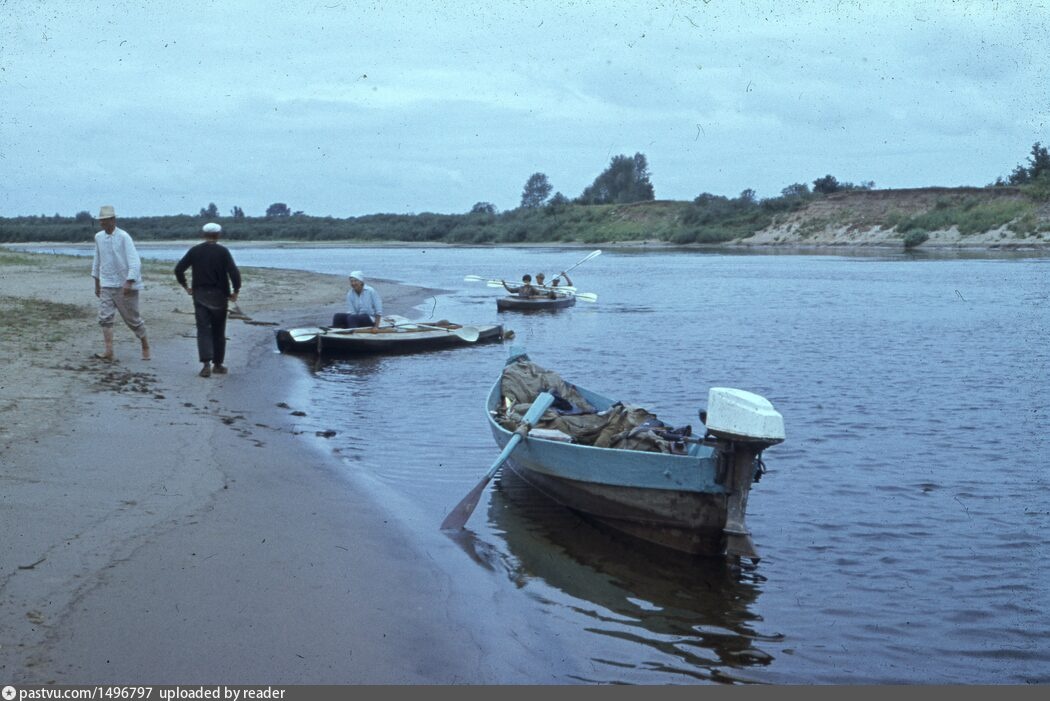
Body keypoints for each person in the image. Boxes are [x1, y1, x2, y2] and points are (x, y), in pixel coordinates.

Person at [174, 222, 241, 377]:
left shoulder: (195, 251)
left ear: (203, 235)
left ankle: (205, 364)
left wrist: (185, 286)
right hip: (219, 295)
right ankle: (218, 364)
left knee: (203, 329)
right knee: (219, 330)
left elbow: (179, 269)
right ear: (218, 235)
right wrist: (235, 290)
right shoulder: (223, 251)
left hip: (200, 294)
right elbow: (233, 272)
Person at [91, 205, 150, 361]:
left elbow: (135, 262)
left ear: (113, 220)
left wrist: (129, 282)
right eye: (100, 221)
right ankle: (109, 351)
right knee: (105, 317)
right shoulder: (98, 237)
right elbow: (97, 261)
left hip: (125, 285)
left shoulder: (124, 237)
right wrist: (97, 282)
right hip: (106, 284)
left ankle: (145, 344)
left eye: (105, 220)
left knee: (133, 319)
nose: (102, 223)